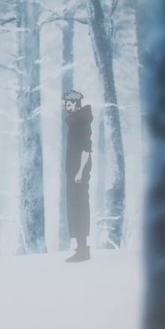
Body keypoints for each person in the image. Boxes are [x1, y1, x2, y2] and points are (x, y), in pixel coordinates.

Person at [64, 90, 92, 262]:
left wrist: (80, 170)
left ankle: (83, 250)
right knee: (75, 207)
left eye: (69, 103)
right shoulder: (76, 122)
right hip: (74, 172)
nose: (66, 106)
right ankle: (81, 247)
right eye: (65, 103)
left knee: (79, 207)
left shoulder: (81, 122)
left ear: (76, 104)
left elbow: (86, 149)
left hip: (78, 173)